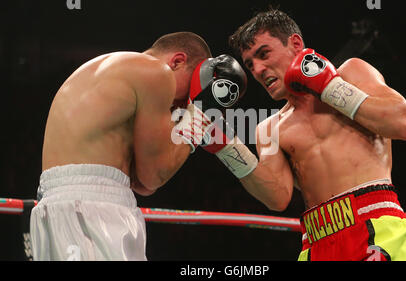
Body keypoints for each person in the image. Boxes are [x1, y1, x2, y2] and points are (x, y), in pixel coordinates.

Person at [30, 31, 247, 260]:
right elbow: (155, 175)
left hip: (56, 208)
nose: (184, 104)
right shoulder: (156, 72)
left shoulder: (113, 73)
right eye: (189, 92)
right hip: (92, 209)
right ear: (177, 61)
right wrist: (201, 112)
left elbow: (144, 185)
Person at [223, 9, 406, 261]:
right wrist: (226, 147)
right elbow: (277, 197)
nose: (258, 69)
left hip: (375, 226)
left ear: (295, 44)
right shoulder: (269, 129)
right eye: (250, 64)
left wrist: (329, 87)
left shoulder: (351, 74)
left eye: (264, 54)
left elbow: (402, 123)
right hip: (316, 243)